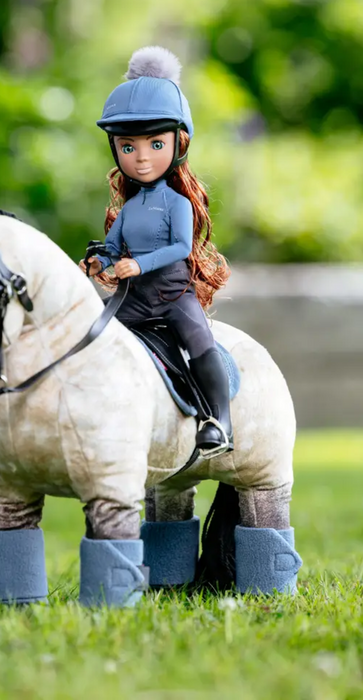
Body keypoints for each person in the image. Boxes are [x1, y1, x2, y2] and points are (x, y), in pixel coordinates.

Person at [85, 46, 232, 456]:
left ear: (177, 143)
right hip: (133, 297)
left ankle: (218, 420)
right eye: (128, 147)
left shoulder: (178, 204)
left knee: (199, 339)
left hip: (171, 294)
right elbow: (114, 246)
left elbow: (182, 247)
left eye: (155, 144)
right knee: (95, 337)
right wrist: (101, 261)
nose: (143, 158)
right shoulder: (129, 208)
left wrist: (140, 263)